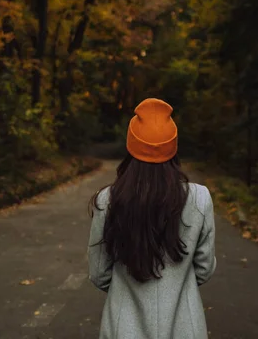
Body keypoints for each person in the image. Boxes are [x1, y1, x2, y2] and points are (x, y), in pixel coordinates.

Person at [88, 98, 217, 339]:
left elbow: (99, 273)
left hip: (123, 328)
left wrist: (125, 291)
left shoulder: (107, 200)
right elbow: (204, 268)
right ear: (173, 147)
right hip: (185, 329)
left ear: (131, 145)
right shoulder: (200, 198)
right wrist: (176, 287)